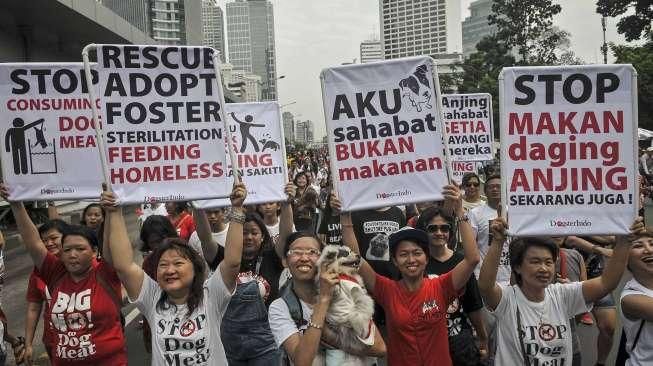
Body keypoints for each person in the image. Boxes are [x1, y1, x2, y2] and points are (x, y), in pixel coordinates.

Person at [103, 183, 247, 366]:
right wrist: (114, 212)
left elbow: (232, 262)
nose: (170, 270)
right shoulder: (152, 297)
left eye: (178, 263)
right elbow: (123, 266)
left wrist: (237, 208)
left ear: (195, 268)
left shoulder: (211, 295)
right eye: (163, 265)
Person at [340, 184, 480, 365]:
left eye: (417, 253)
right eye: (403, 254)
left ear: (426, 258)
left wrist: (459, 210)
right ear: (395, 261)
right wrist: (345, 216)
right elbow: (355, 258)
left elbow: (472, 259)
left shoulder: (441, 286)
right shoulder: (387, 290)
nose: (411, 259)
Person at [478, 216, 643, 365]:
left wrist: (624, 242)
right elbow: (485, 286)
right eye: (535, 262)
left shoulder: (562, 294)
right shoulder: (508, 299)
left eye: (548, 262)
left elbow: (606, 283)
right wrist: (498, 241)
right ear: (518, 267)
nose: (543, 268)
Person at [1, 184, 127, 365]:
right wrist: (16, 205)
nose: (73, 254)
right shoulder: (55, 273)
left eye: (80, 249)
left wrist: (112, 211)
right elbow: (34, 242)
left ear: (94, 252)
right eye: (67, 249)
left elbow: (112, 241)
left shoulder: (105, 273)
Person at [195, 202, 285, 364]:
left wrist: (286, 204)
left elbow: (285, 235)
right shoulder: (225, 260)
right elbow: (205, 238)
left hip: (268, 343)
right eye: (243, 233)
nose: (249, 237)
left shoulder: (273, 258)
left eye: (254, 233)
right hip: (231, 344)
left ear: (263, 236)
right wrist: (197, 206)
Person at [415, 206, 488, 365]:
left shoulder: (461, 262)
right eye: (432, 228)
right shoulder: (415, 264)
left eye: (444, 228)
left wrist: (482, 337)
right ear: (423, 231)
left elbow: (472, 304)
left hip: (460, 344)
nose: (439, 232)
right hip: (427, 343)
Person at [24, 219, 69, 364]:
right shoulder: (37, 273)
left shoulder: (83, 265)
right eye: (44, 240)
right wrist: (29, 344)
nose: (48, 243)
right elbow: (33, 308)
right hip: (54, 341)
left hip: (86, 340)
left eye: (53, 238)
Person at [620, 228, 653, 365]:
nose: (649, 250)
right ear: (625, 258)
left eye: (652, 243)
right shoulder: (630, 297)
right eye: (638, 246)